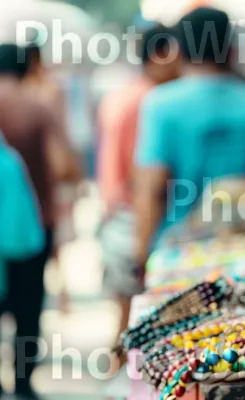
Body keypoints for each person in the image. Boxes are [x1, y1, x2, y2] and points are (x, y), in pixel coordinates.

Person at [134, 8, 245, 277]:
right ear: (231, 47)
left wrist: (141, 254)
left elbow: (151, 190)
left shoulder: (160, 105)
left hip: (180, 256)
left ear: (178, 49)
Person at [0, 43, 80, 399]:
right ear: (29, 67)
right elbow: (64, 166)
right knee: (28, 306)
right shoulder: (37, 106)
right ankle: (23, 382)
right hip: (33, 226)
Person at [98, 24, 180, 352]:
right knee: (136, 324)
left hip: (116, 214)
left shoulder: (122, 95)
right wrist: (144, 246)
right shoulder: (151, 99)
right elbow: (145, 178)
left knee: (125, 316)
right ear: (159, 55)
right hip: (134, 217)